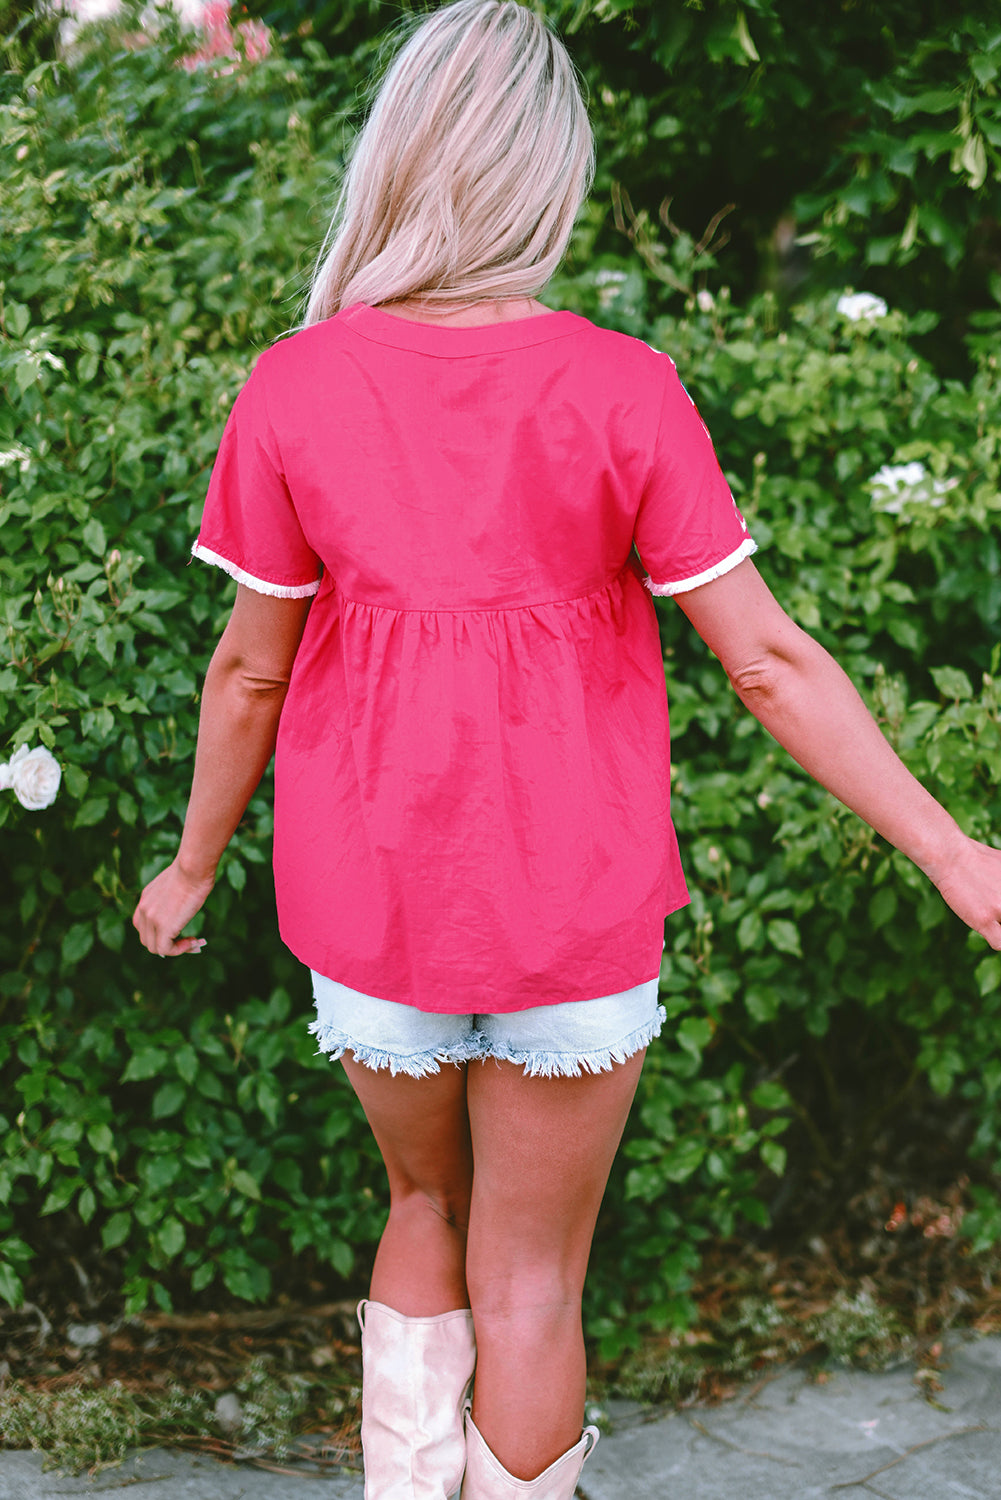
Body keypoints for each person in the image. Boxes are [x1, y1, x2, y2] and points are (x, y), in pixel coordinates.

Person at [132, 2, 1001, 1496]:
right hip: (572, 917)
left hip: (371, 902)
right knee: (531, 1280)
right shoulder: (623, 387)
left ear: (396, 159)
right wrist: (952, 850)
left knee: (419, 1202)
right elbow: (771, 664)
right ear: (550, 175)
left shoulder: (294, 384)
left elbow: (247, 677)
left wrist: (190, 865)